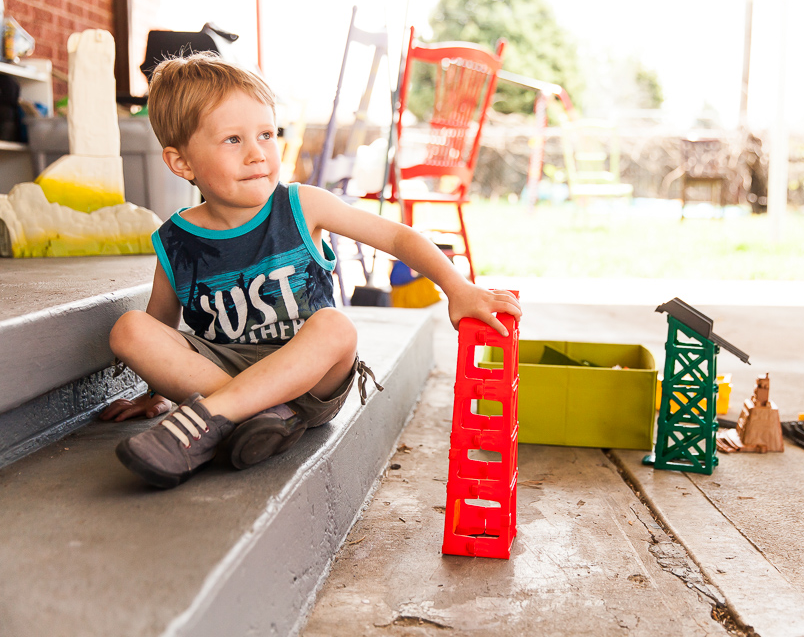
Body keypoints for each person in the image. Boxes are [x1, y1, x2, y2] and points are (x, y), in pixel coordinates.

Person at [100, 52, 521, 488]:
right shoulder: (175, 242)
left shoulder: (301, 206)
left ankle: (221, 414)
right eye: (232, 140)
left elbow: (397, 238)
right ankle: (256, 414)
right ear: (182, 163)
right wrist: (154, 395)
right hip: (226, 369)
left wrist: (458, 288)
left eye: (266, 134)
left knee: (335, 326)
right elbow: (160, 325)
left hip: (309, 384)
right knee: (129, 329)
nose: (257, 154)